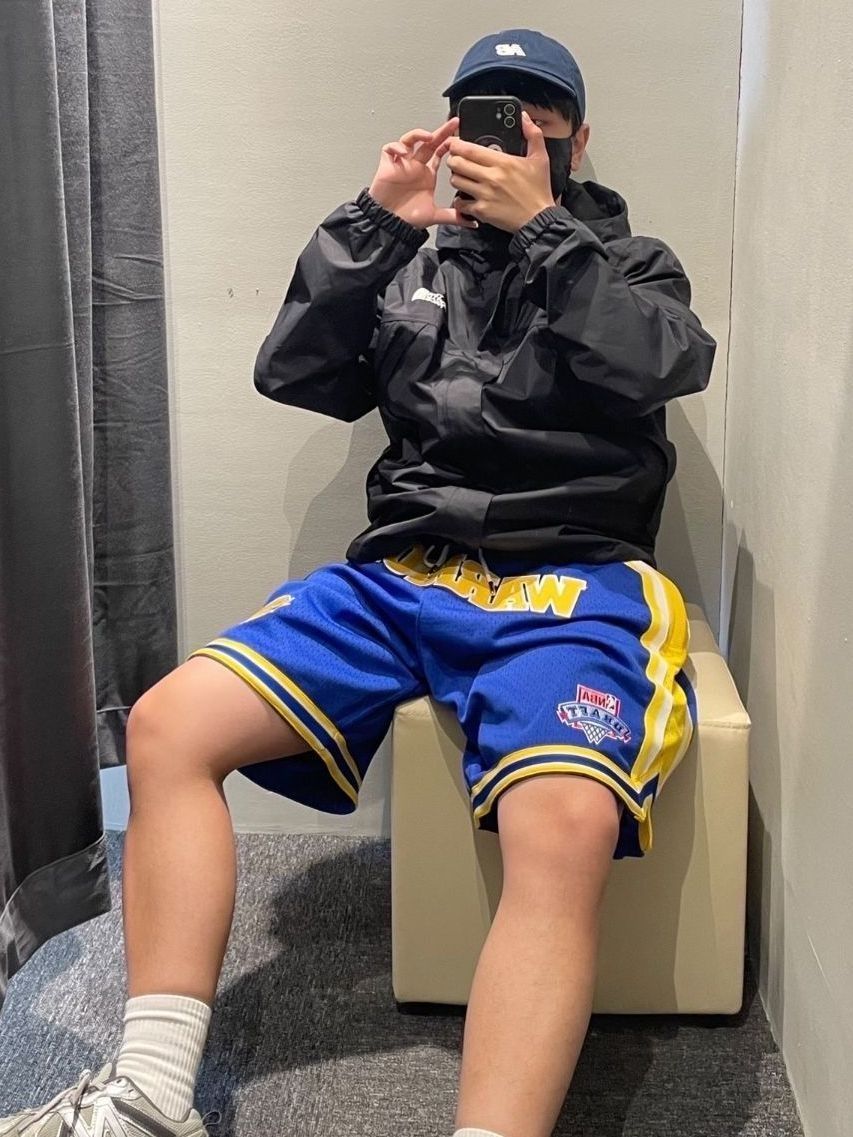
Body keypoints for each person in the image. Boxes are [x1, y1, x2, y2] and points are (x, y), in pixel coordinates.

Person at [1, 27, 716, 1137]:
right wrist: (376, 221)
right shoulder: (412, 259)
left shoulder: (627, 262)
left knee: (564, 823)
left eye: (532, 123)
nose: (505, 141)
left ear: (576, 143)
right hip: (404, 575)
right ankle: (148, 1094)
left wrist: (544, 231)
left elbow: (661, 362)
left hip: (569, 581)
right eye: (483, 120)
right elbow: (294, 372)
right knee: (166, 725)